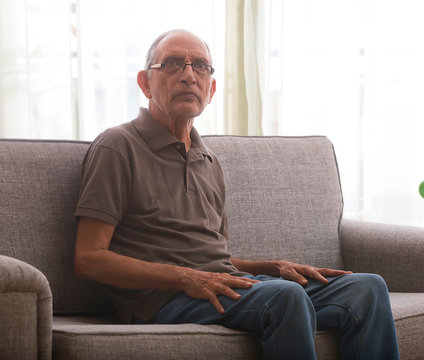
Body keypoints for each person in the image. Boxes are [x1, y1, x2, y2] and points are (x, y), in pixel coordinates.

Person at [74, 29, 399, 360]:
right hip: (159, 299)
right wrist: (186, 278)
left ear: (211, 89)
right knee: (284, 298)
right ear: (145, 83)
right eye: (173, 63)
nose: (188, 75)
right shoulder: (118, 146)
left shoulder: (208, 159)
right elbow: (88, 258)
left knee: (367, 289)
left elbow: (214, 258)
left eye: (200, 66)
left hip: (219, 284)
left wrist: (273, 267)